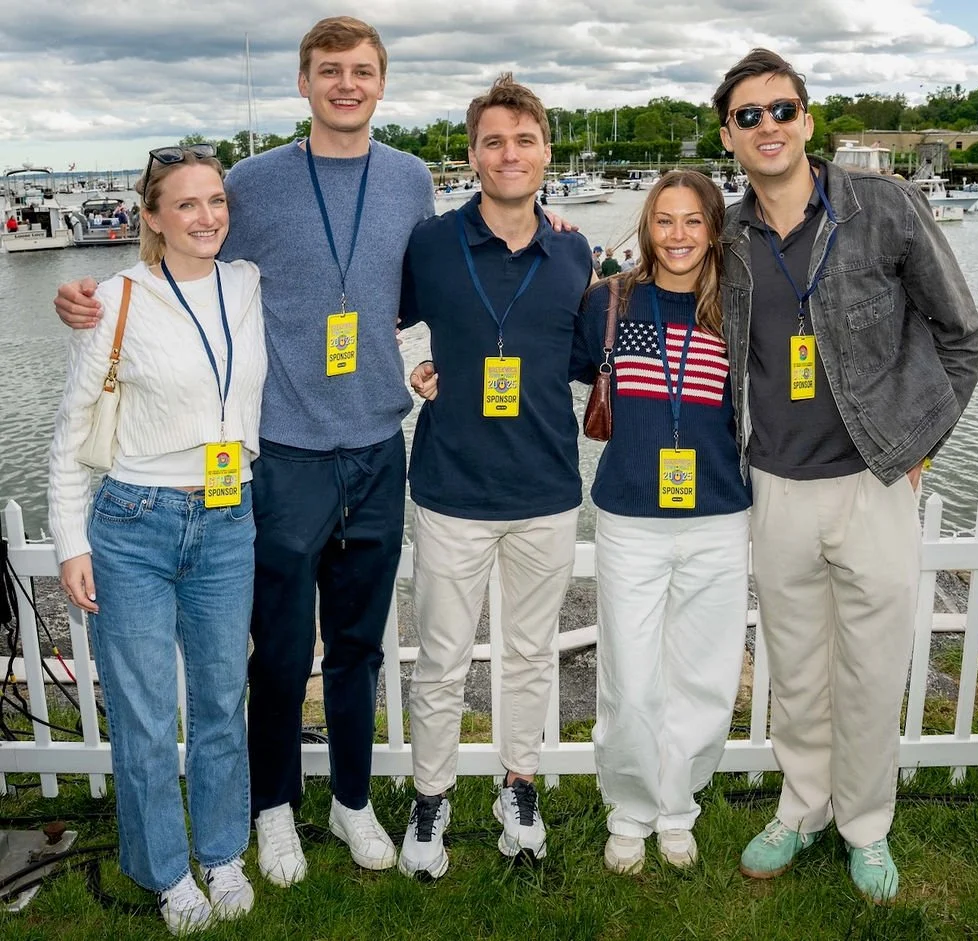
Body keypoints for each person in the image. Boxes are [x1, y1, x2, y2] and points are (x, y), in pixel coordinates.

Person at [53, 16, 436, 887]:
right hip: (283, 456)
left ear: (382, 84)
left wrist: (543, 229)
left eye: (363, 71)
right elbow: (176, 268)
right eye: (330, 70)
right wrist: (84, 297)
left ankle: (350, 797)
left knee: (359, 646)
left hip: (379, 444)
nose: (347, 84)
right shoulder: (252, 185)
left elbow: (435, 283)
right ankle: (271, 810)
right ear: (304, 83)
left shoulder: (412, 179)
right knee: (274, 649)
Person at [713, 48, 978, 901]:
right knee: (796, 666)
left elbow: (962, 337)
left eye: (782, 109)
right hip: (775, 484)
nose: (769, 127)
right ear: (728, 133)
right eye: (749, 115)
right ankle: (802, 807)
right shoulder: (725, 233)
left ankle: (867, 824)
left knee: (872, 666)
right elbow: (643, 274)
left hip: (875, 481)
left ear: (809, 119)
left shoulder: (886, 207)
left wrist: (920, 449)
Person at [48, 144, 266, 935]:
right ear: (152, 217)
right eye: (186, 204)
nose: (206, 216)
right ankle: (167, 872)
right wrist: (71, 540)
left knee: (219, 700)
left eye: (216, 201)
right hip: (134, 523)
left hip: (227, 516)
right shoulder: (115, 297)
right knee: (143, 716)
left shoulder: (247, 284)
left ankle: (221, 852)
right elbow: (71, 431)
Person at [397, 75, 593, 880]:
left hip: (546, 488)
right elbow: (394, 319)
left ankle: (519, 781)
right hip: (451, 489)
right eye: (492, 141)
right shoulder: (433, 243)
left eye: (523, 140)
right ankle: (432, 794)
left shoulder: (575, 246)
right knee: (441, 657)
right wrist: (418, 365)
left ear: (546, 152)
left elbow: (586, 354)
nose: (508, 154)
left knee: (530, 652)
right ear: (471, 154)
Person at [572, 171, 750, 875]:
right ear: (647, 228)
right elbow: (543, 364)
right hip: (631, 518)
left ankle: (678, 806)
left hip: (718, 516)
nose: (677, 236)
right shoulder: (609, 301)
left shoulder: (734, 311)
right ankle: (629, 808)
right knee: (632, 676)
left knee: (704, 677)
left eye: (692, 222)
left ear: (714, 229)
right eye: (664, 221)